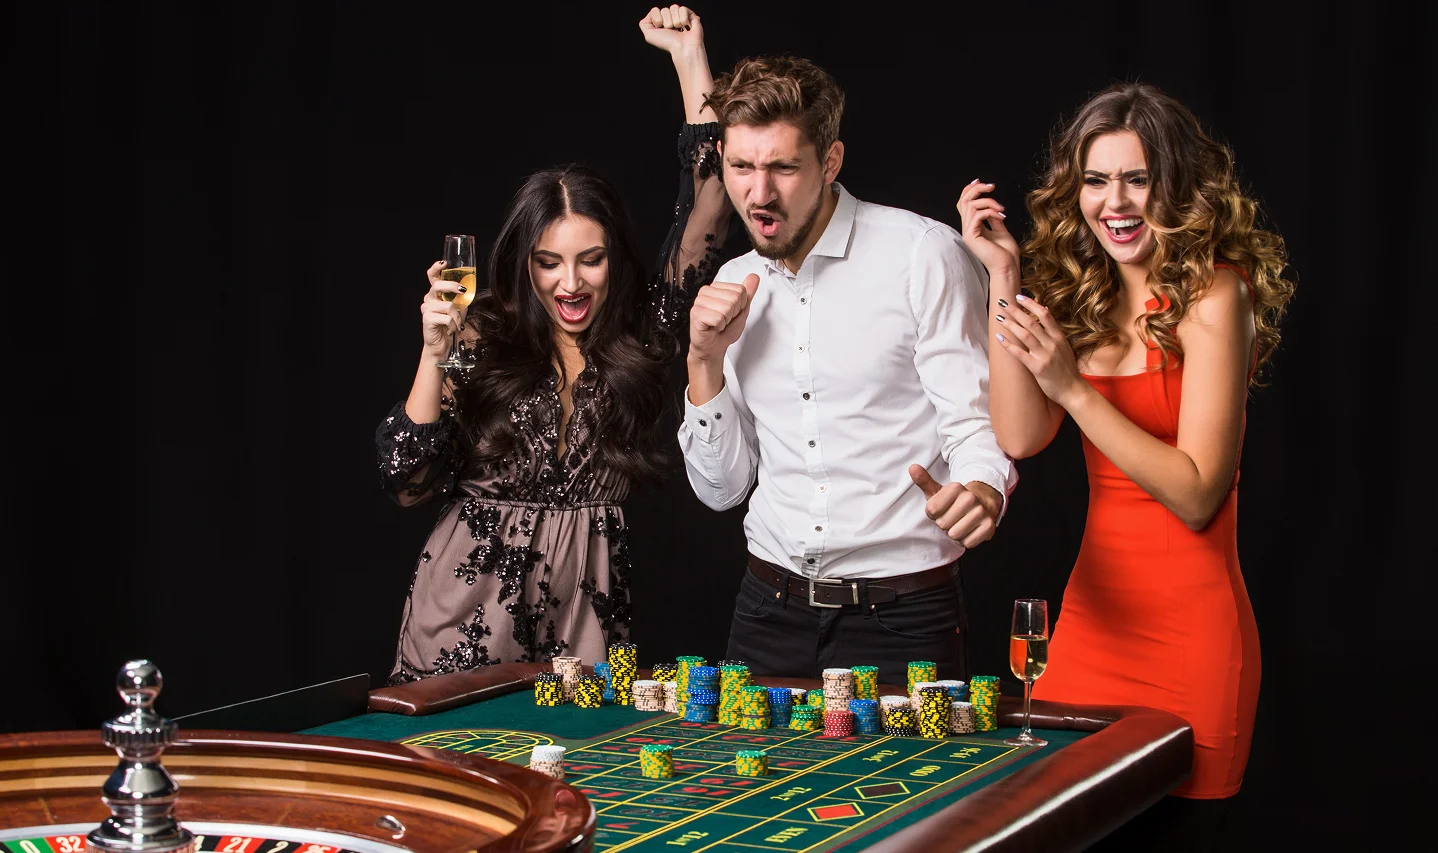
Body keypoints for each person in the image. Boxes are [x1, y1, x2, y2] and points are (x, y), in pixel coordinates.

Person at [956, 82, 1293, 831]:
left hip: (1194, 640)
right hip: (1091, 633)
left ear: (1173, 184)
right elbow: (1018, 437)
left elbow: (1198, 492)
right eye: (1097, 180)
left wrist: (1074, 388)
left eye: (1137, 178)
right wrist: (1002, 277)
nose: (1116, 201)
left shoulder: (1215, 297)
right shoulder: (1083, 298)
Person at [375, 6, 730, 683]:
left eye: (590, 260)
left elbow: (711, 200)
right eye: (548, 262)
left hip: (585, 623)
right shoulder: (484, 331)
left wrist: (690, 61)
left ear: (615, 260)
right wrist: (433, 348)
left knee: (582, 784)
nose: (569, 283)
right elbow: (407, 478)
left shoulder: (643, 333)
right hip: (461, 620)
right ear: (525, 261)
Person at [678, 54, 1016, 688]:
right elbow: (720, 490)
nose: (758, 193)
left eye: (783, 166)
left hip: (904, 618)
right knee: (749, 791)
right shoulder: (728, 286)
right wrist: (704, 362)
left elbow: (976, 425)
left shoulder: (922, 254)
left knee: (909, 795)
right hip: (767, 614)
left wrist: (983, 488)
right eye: (741, 167)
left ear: (830, 162)